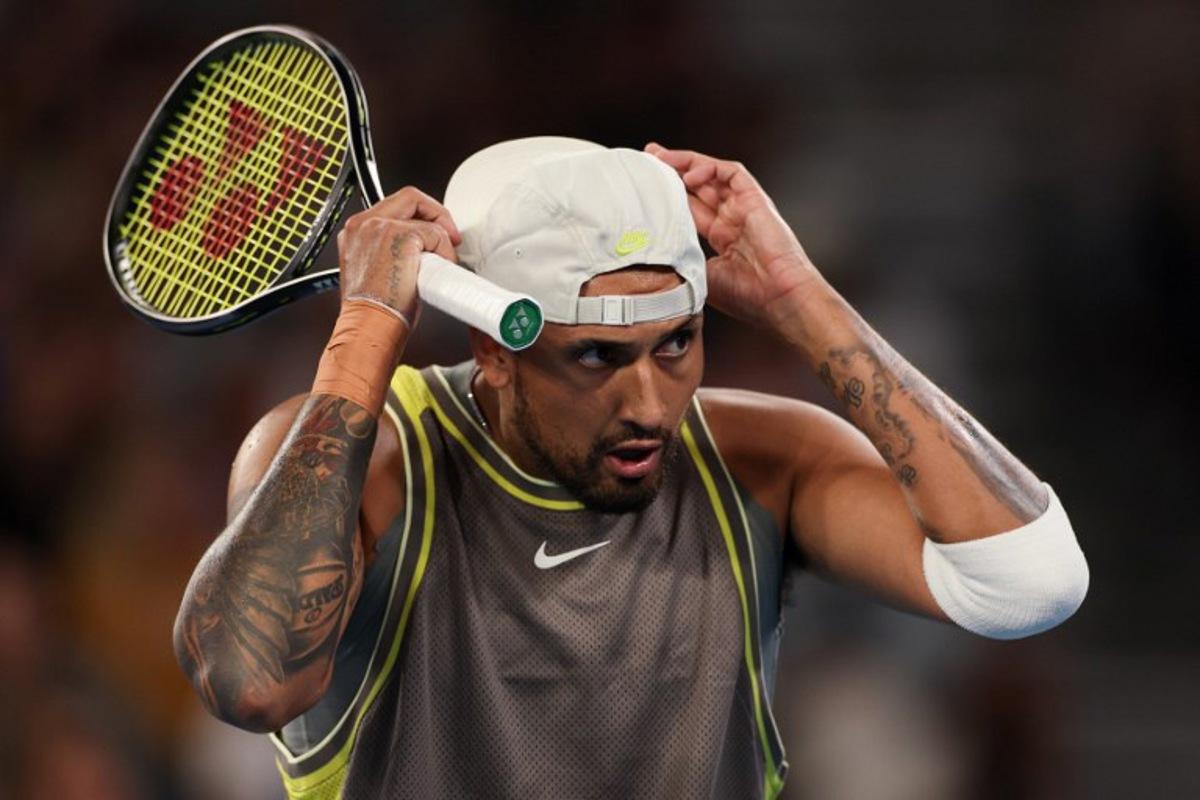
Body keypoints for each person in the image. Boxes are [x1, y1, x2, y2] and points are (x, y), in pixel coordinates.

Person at [172, 137, 1089, 799]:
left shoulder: (764, 458)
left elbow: (1032, 585)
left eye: (678, 343)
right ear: (495, 349)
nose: (651, 404)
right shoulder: (369, 462)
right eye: (597, 359)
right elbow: (250, 682)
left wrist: (800, 301)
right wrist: (366, 328)